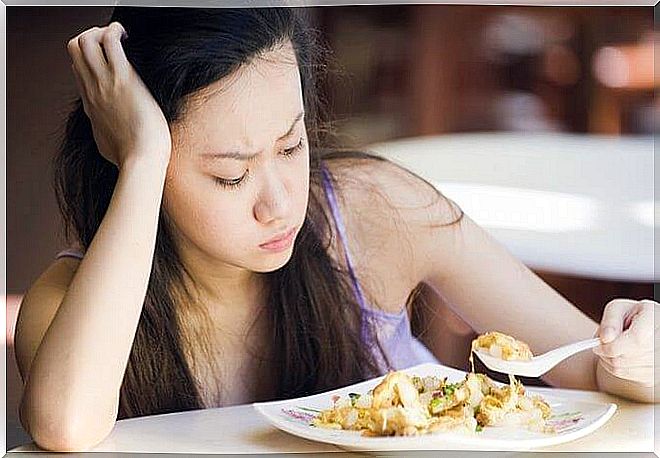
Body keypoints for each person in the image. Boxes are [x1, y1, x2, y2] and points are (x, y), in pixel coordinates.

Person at [14, 6, 657, 452]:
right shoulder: (73, 303)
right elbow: (65, 427)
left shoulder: (372, 212)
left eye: (291, 147)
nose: (279, 204)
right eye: (231, 177)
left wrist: (640, 355)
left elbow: (595, 369)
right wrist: (143, 157)